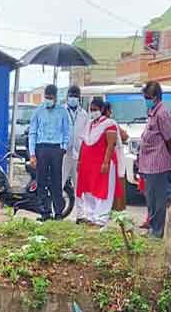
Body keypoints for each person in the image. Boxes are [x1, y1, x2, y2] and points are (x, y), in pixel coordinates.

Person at [75, 98, 125, 228]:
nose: (93, 112)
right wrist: (80, 160)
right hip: (89, 164)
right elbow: (83, 142)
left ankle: (100, 219)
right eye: (91, 110)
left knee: (102, 191)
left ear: (102, 110)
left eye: (95, 110)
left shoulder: (109, 124)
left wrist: (106, 162)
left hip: (102, 163)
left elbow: (111, 145)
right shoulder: (90, 124)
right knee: (89, 190)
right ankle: (91, 216)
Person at [138, 81, 171, 238]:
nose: (146, 100)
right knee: (151, 199)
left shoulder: (162, 114)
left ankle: (158, 231)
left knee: (159, 200)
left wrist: (169, 157)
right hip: (148, 164)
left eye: (148, 97)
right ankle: (153, 227)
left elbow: (169, 139)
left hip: (158, 164)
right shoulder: (152, 112)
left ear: (155, 97)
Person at [29, 85, 70, 221]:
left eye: (51, 98)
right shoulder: (38, 111)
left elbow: (66, 131)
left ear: (56, 97)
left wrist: (63, 148)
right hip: (41, 148)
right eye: (46, 97)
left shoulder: (62, 112)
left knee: (56, 182)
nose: (48, 100)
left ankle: (58, 212)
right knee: (41, 181)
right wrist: (32, 154)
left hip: (56, 149)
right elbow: (32, 132)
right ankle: (44, 212)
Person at [63, 86, 89, 222]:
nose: (73, 98)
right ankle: (56, 211)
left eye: (76, 96)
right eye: (71, 95)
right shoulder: (61, 111)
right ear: (67, 97)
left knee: (80, 186)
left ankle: (80, 215)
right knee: (59, 183)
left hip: (78, 155)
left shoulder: (84, 114)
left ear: (79, 98)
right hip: (64, 154)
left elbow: (85, 136)